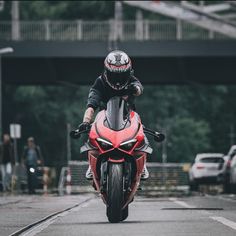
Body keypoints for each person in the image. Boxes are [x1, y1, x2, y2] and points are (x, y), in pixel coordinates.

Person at [77, 50, 150, 180]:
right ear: (106, 72)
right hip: (104, 117)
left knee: (141, 131)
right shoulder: (99, 82)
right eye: (114, 76)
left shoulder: (132, 80)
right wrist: (86, 121)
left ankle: (143, 165)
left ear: (129, 72)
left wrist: (135, 89)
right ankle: (91, 164)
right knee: (92, 134)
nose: (118, 81)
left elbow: (139, 88)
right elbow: (91, 104)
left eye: (122, 76)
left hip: (128, 115)